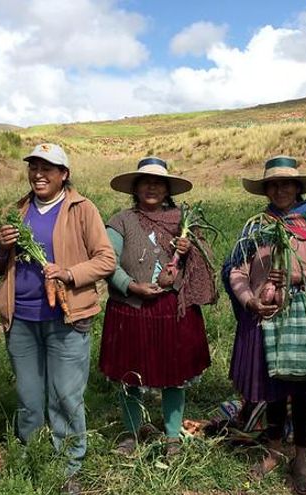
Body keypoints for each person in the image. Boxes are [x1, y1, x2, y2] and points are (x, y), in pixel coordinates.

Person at [0, 143, 115, 494]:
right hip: (22, 319)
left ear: (64, 174)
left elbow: (106, 260)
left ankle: (69, 466)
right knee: (29, 397)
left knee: (66, 396)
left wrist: (70, 273)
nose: (39, 174)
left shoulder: (82, 209)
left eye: (48, 168)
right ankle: (31, 457)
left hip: (67, 317)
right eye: (34, 167)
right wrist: (0, 247)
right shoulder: (15, 211)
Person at [224, 156, 306, 494]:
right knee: (272, 393)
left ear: (298, 187)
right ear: (266, 189)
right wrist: (249, 300)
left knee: (300, 393)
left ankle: (300, 459)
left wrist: (300, 275)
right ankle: (273, 451)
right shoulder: (256, 225)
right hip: (262, 317)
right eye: (274, 184)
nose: (281, 189)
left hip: (301, 317)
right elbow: (235, 270)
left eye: (287, 183)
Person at [99, 156, 218, 456]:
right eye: (145, 182)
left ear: (167, 190)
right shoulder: (120, 221)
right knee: (130, 376)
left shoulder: (183, 221)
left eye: (158, 183)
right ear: (135, 188)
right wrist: (132, 285)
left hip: (172, 309)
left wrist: (189, 250)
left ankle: (172, 436)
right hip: (131, 308)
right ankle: (132, 432)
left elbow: (204, 264)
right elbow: (107, 262)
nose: (152, 187)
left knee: (174, 375)